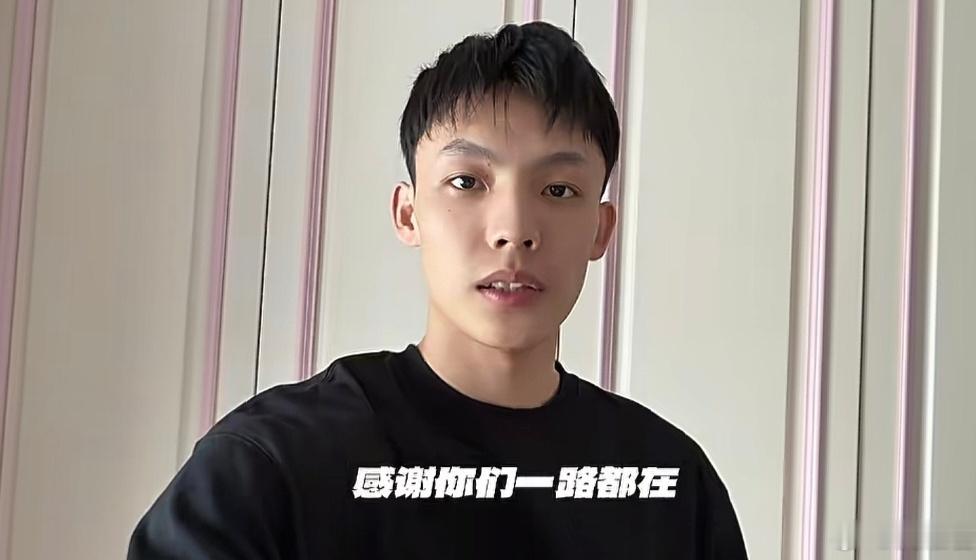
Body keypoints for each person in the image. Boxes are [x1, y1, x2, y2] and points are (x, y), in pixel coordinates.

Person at [128, 21, 748, 559]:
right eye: (467, 182)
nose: (514, 230)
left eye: (558, 190)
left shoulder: (670, 484)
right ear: (408, 214)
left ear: (600, 229)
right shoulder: (273, 465)